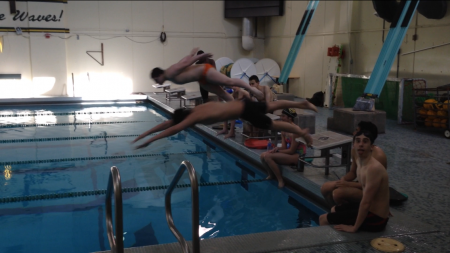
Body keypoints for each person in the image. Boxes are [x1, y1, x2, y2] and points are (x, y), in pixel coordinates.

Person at [132, 100, 318, 149]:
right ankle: (301, 104)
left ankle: (302, 132)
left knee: (276, 126)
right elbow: (169, 122)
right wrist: (143, 134)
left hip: (245, 112)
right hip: (245, 103)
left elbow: (172, 128)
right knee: (273, 105)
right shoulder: (197, 108)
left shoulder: (191, 119)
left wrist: (150, 140)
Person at [319, 127, 390, 233]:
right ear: (354, 145)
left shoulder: (373, 168)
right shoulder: (360, 161)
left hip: (377, 218)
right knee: (334, 210)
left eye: (365, 141)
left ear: (371, 147)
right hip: (371, 209)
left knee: (323, 219)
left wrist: (354, 228)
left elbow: (366, 202)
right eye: (358, 141)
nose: (361, 144)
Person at [150, 47, 264, 100]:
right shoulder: (170, 73)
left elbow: (185, 63)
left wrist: (200, 56)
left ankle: (253, 90)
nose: (157, 82)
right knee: (223, 94)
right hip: (201, 79)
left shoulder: (169, 72)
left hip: (204, 71)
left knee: (229, 81)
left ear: (159, 75)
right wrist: (191, 54)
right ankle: (239, 111)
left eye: (156, 80)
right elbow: (182, 62)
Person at [320, 121, 387, 207]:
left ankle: (350, 215)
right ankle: (336, 213)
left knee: (338, 194)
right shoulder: (355, 149)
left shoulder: (378, 156)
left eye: (356, 130)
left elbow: (371, 185)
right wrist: (343, 180)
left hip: (373, 191)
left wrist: (348, 184)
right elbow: (353, 172)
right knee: (325, 188)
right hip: (360, 184)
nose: (353, 133)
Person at [260, 108, 307, 188]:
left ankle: (280, 180)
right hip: (290, 153)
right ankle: (271, 175)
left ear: (290, 118)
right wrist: (277, 149)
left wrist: (278, 152)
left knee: (268, 156)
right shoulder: (284, 130)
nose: (281, 117)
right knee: (262, 155)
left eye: (283, 116)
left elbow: (292, 151)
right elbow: (284, 147)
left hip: (298, 156)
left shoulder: (295, 131)